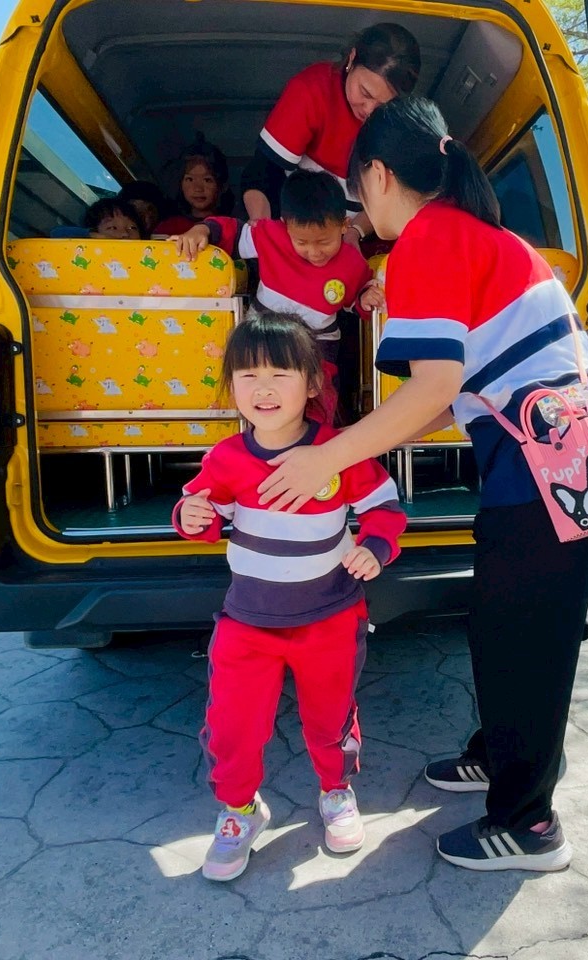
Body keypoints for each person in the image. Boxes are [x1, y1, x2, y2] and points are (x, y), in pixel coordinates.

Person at [254, 97, 588, 872]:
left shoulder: (428, 238)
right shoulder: (472, 234)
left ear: (379, 174)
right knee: (506, 625)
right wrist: (348, 453)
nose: (358, 214)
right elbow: (437, 401)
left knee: (526, 640)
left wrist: (325, 460)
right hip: (565, 454)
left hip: (547, 461)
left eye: (356, 193)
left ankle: (529, 825)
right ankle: (501, 755)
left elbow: (431, 390)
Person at [172, 313, 406, 882]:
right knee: (232, 726)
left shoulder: (340, 450)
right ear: (231, 385)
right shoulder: (226, 457)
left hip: (331, 618)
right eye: (248, 375)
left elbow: (384, 506)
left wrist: (376, 546)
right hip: (246, 624)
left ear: (312, 383)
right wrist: (192, 515)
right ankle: (240, 810)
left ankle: (335, 790)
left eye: (280, 374)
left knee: (329, 718)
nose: (264, 388)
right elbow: (201, 511)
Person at [177, 171, 380, 421]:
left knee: (318, 409)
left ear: (344, 225)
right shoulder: (270, 235)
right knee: (261, 401)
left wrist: (365, 299)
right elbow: (231, 231)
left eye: (324, 242)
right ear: (285, 224)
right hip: (264, 340)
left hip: (319, 349)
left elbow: (356, 297)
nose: (314, 252)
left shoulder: (352, 262)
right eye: (302, 242)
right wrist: (201, 230)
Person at [241, 23, 421, 239]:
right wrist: (263, 229)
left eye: (383, 105)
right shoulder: (311, 90)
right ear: (352, 59)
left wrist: (354, 233)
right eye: (365, 93)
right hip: (293, 229)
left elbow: (393, 199)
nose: (369, 110)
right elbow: (262, 172)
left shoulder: (402, 122)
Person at [156, 136, 233, 237]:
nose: (198, 189)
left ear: (222, 186)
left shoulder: (229, 228)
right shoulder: (168, 228)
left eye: (207, 180)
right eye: (190, 179)